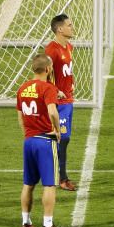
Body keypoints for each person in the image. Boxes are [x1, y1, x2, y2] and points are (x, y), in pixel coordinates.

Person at [16, 55, 62, 227]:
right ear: (48, 69)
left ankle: (26, 222)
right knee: (49, 185)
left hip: (29, 141)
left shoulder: (23, 88)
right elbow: (53, 111)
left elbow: (20, 116)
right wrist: (57, 130)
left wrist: (27, 135)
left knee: (28, 184)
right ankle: (48, 225)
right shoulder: (48, 88)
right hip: (45, 141)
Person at [45, 14, 77, 191]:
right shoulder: (51, 50)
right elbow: (44, 74)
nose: (72, 28)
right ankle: (60, 177)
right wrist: (55, 90)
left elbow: (65, 71)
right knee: (62, 138)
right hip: (58, 102)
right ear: (60, 29)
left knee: (64, 139)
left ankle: (60, 176)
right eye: (69, 25)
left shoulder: (69, 47)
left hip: (68, 100)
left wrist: (71, 81)